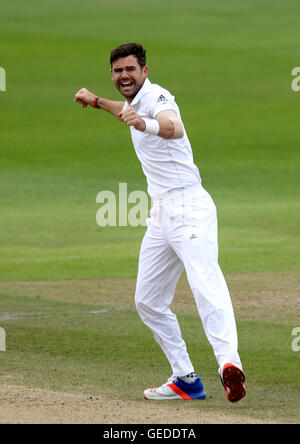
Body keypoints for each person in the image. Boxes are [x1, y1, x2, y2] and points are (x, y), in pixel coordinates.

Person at [74, 43, 246, 403]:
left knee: (204, 282)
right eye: (118, 70)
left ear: (145, 71)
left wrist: (147, 124)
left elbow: (174, 127)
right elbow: (127, 111)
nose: (124, 76)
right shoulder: (135, 103)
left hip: (190, 206)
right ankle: (185, 379)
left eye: (130, 70)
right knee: (148, 301)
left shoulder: (159, 97)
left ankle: (229, 365)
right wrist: (96, 101)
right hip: (161, 213)